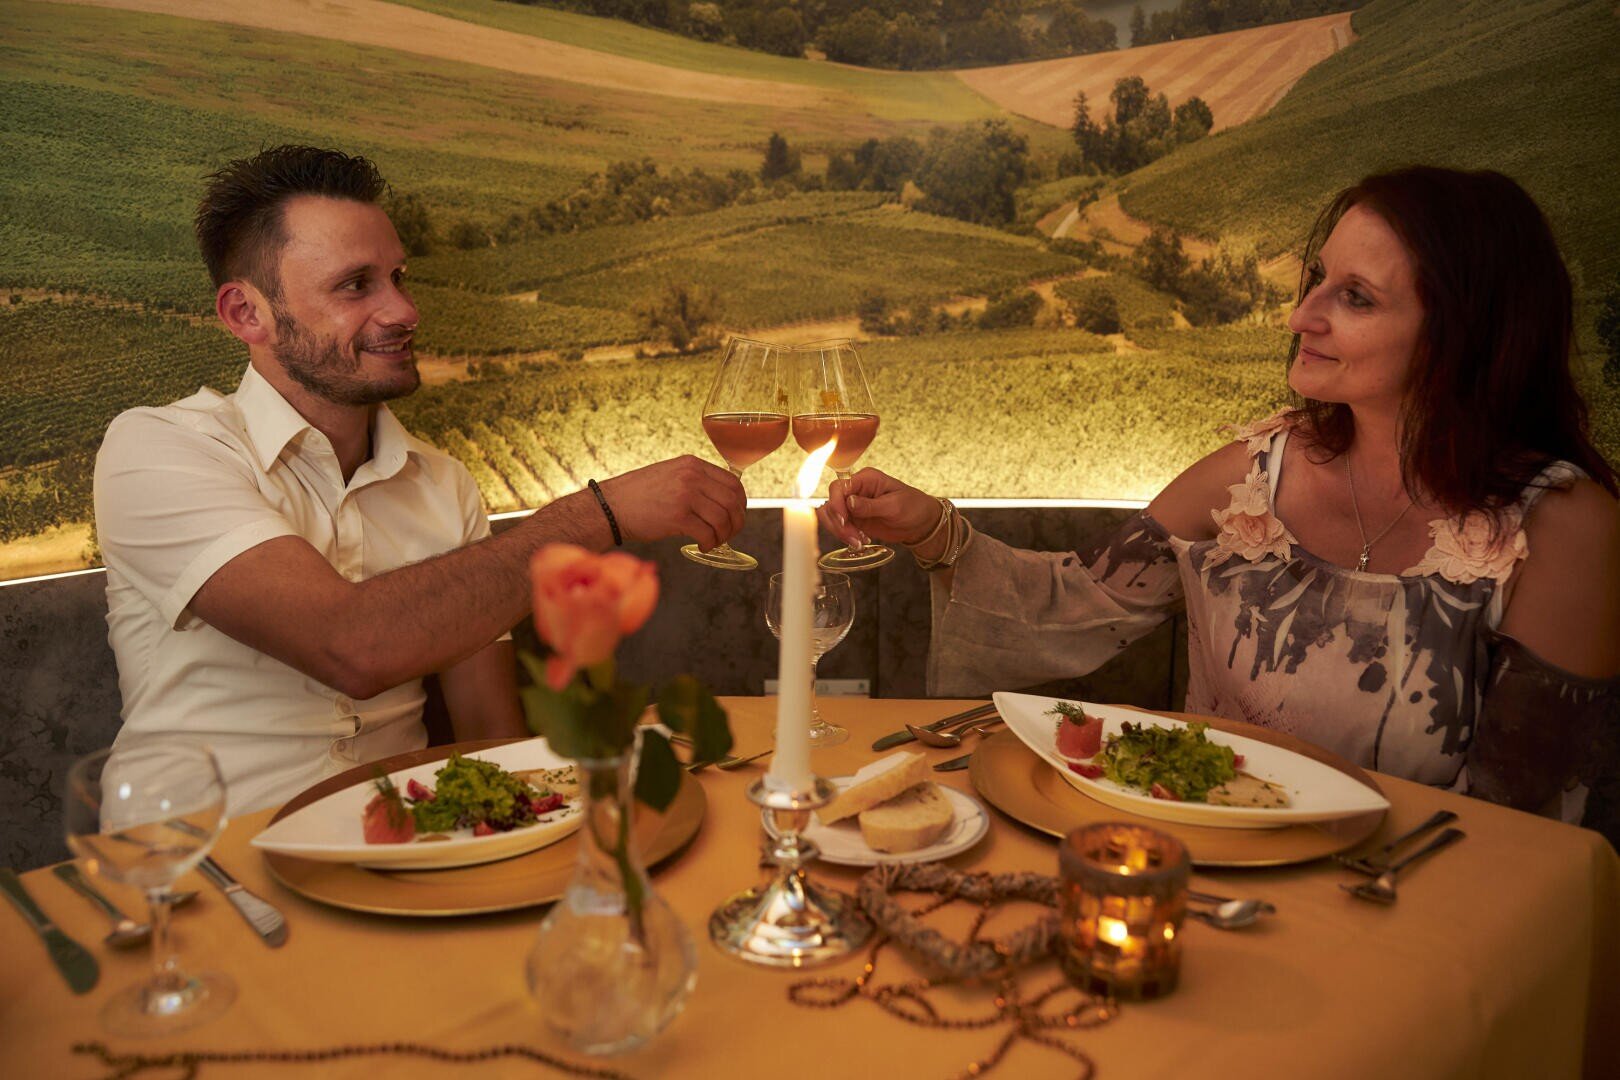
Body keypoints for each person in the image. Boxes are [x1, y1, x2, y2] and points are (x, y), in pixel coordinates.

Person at [823, 166, 1620, 832]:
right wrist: (933, 529)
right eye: (1317, 279)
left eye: (1356, 297)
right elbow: (1069, 605)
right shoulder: (1251, 478)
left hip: (1418, 917)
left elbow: (1523, 828)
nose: (1300, 315)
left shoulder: (1563, 530)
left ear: (1465, 333)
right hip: (1204, 880)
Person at [94, 145, 747, 814]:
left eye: (398, 278)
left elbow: (489, 734)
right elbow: (348, 645)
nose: (404, 310)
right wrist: (598, 515)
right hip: (203, 858)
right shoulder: (157, 449)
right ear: (246, 314)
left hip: (401, 853)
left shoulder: (445, 484)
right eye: (356, 285)